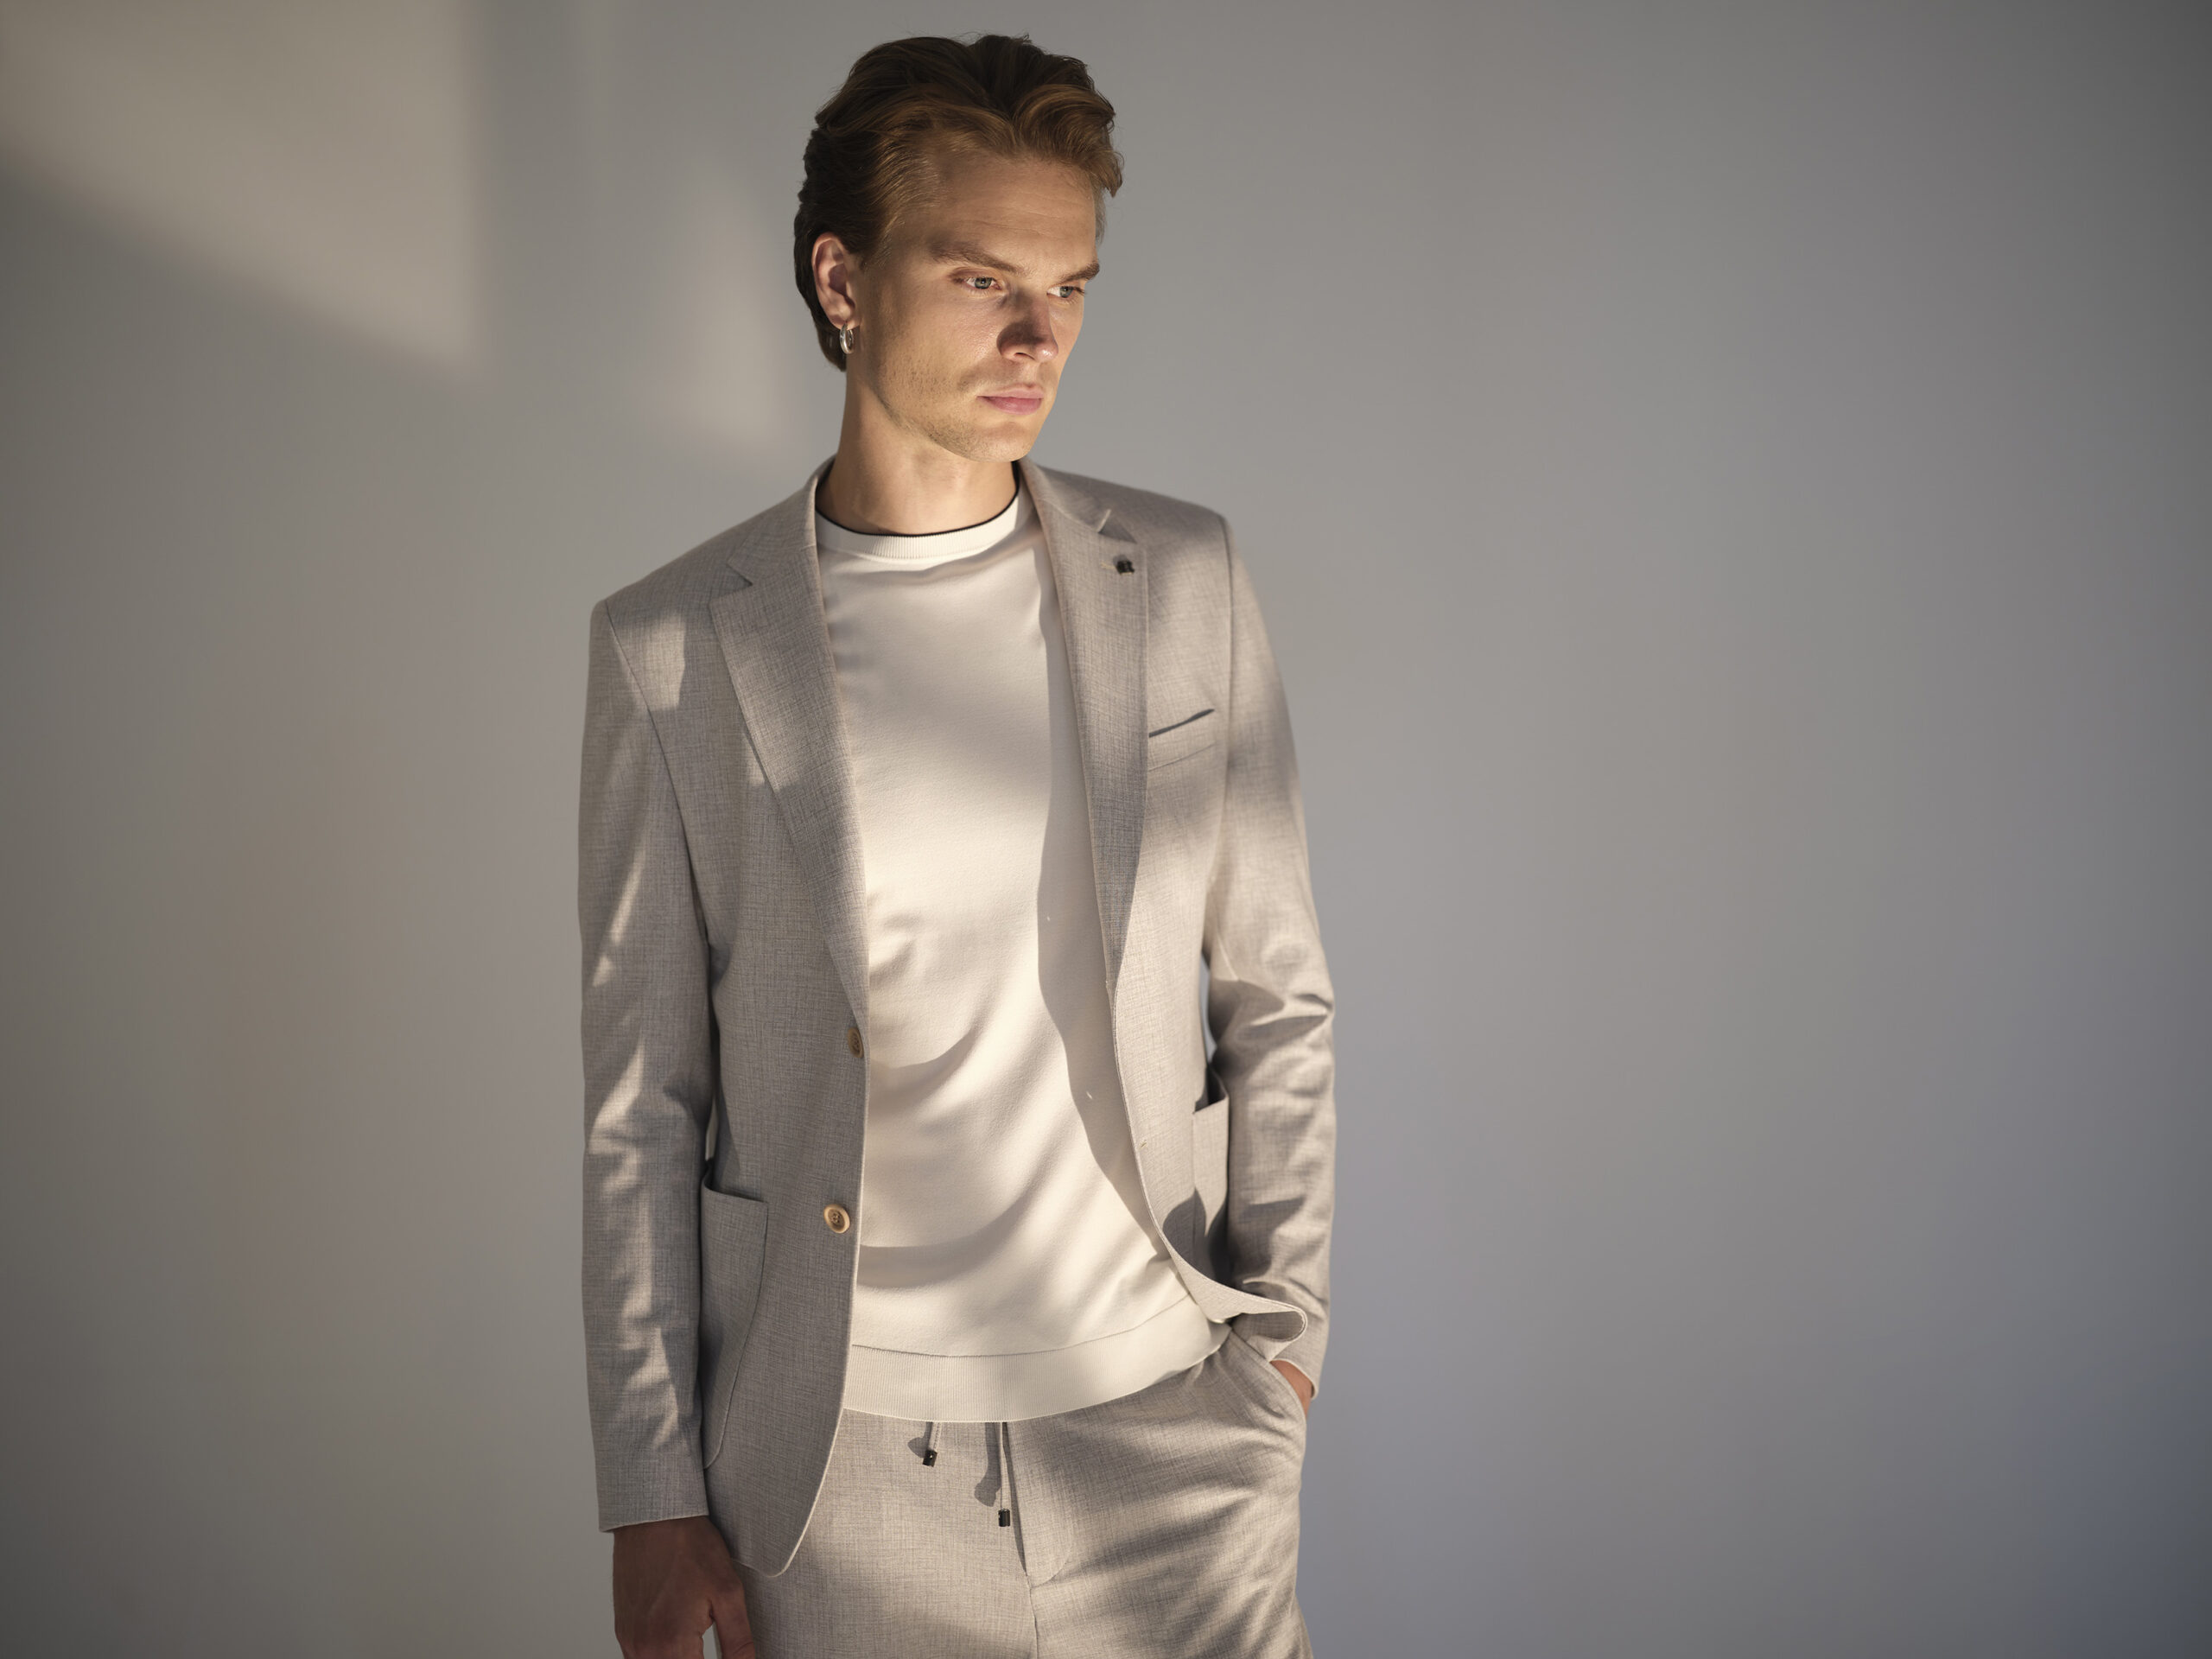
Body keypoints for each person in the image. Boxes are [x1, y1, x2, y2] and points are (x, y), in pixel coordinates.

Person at [578, 33, 1335, 1658]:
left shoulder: (1184, 584)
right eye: (985, 279)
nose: (1037, 337)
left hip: (1173, 1437)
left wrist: (1283, 1354)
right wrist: (650, 1491)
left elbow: (1278, 1000)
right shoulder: (675, 648)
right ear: (842, 279)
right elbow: (643, 1100)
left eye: (1068, 288)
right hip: (836, 1473)